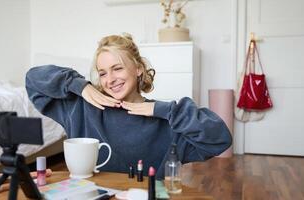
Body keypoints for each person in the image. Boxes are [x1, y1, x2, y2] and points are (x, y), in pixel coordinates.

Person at [25, 33, 231, 178]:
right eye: (103, 73)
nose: (110, 79)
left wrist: (162, 110)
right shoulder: (80, 107)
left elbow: (220, 138)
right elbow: (33, 80)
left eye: (117, 68)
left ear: (139, 69)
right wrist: (80, 86)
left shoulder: (166, 122)